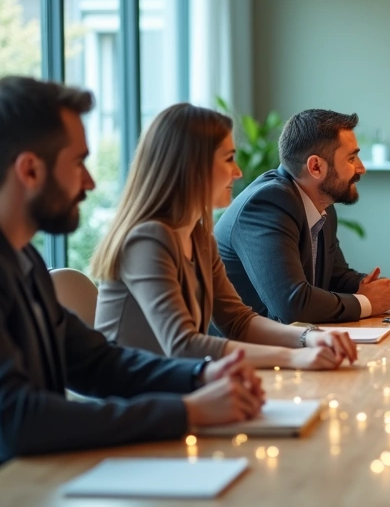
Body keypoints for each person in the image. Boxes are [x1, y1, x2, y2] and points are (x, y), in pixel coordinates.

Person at [0, 77, 262, 507]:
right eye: (79, 163)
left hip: (27, 494)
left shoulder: (16, 254)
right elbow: (15, 419)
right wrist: (186, 412)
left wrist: (198, 379)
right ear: (30, 170)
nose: (91, 182)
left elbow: (97, 361)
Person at [91, 104, 357, 370]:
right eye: (229, 158)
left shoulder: (198, 236)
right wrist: (292, 356)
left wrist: (309, 337)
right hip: (135, 401)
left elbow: (238, 321)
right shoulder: (148, 239)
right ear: (193, 166)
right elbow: (183, 344)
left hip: (177, 388)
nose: (238, 172)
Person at [216, 109, 390, 323]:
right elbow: (292, 304)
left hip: (293, 344)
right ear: (315, 167)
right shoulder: (268, 203)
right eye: (351, 159)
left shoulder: (321, 204)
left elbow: (336, 276)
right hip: (242, 353)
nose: (361, 168)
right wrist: (367, 303)